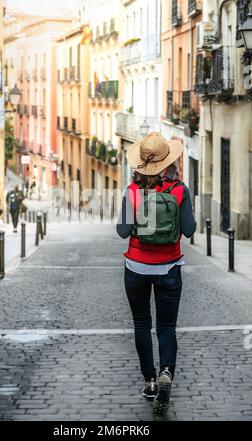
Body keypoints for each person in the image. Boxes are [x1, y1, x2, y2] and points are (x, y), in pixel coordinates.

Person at [116, 132, 196, 416]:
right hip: (170, 268)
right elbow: (189, 230)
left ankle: (150, 381)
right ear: (169, 162)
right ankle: (166, 372)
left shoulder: (132, 191)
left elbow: (122, 231)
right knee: (166, 326)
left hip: (136, 267)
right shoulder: (179, 190)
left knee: (141, 323)